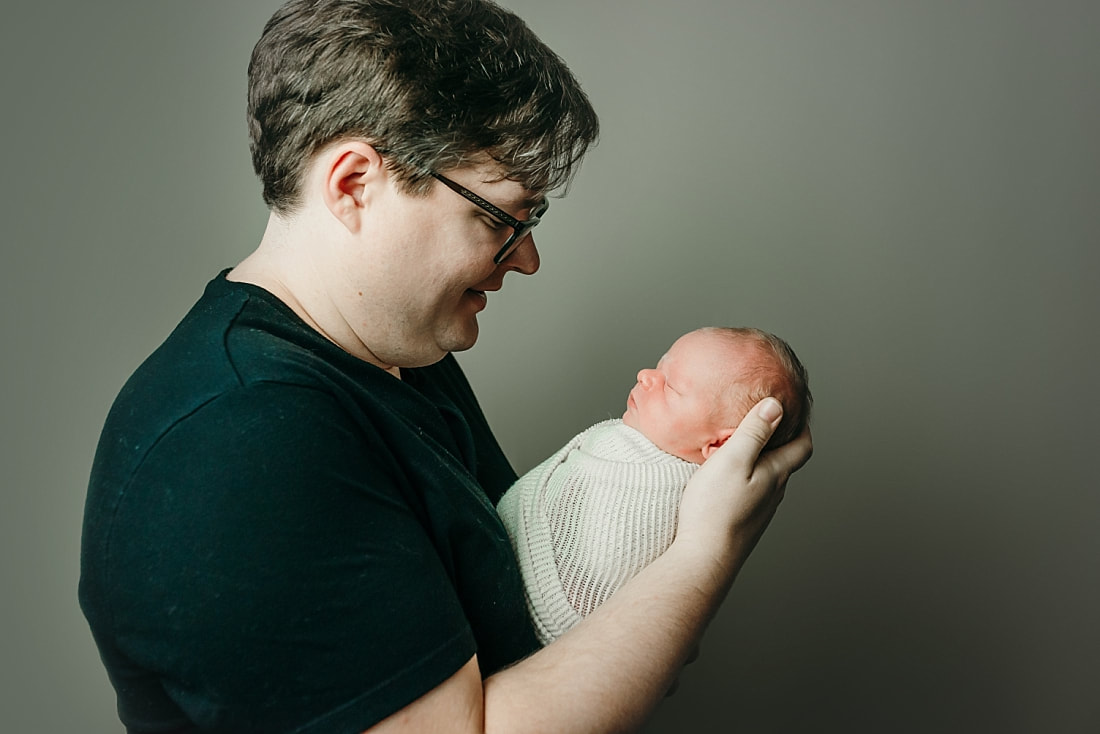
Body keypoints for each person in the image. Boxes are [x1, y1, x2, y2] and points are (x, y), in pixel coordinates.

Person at [78, 1, 813, 733]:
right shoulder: (240, 440)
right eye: (500, 219)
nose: (526, 258)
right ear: (354, 183)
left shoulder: (393, 352)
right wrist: (706, 552)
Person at [498, 326, 812, 644]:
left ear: (722, 443)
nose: (645, 376)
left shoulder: (672, 496)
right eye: (659, 365)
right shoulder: (632, 443)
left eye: (671, 387)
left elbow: (608, 578)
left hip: (540, 622)